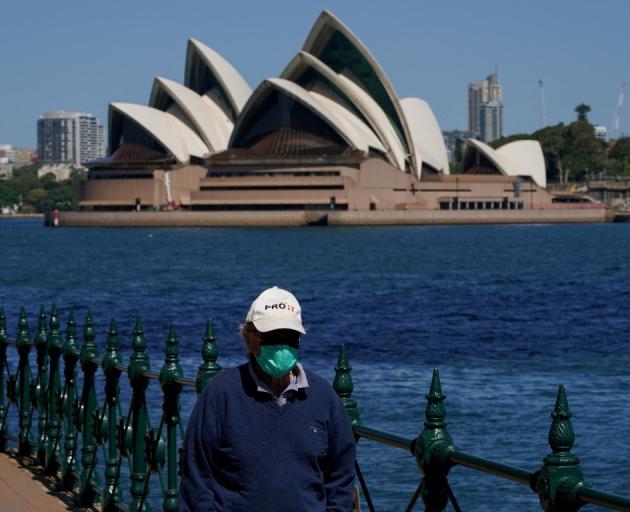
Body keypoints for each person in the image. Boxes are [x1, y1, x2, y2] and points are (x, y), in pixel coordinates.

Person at [180, 286, 356, 512]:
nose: (282, 345)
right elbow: (196, 475)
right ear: (250, 338)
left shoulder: (323, 397)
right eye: (273, 336)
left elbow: (341, 475)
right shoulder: (221, 394)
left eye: (290, 337)